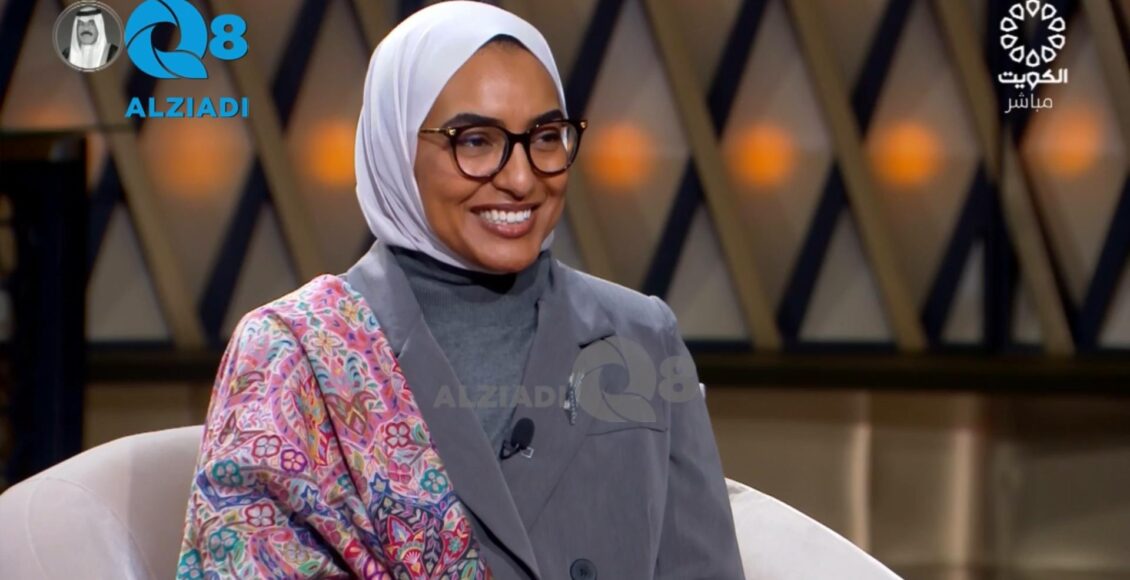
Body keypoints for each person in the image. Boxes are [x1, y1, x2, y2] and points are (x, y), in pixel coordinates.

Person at [177, 2, 744, 578]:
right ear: (396, 147)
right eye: (474, 141)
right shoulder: (294, 351)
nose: (521, 178)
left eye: (546, 137)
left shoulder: (642, 335)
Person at [62, 5, 118, 70]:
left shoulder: (113, 53)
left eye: (91, 24)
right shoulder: (67, 54)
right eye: (81, 24)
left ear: (99, 27)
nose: (85, 28)